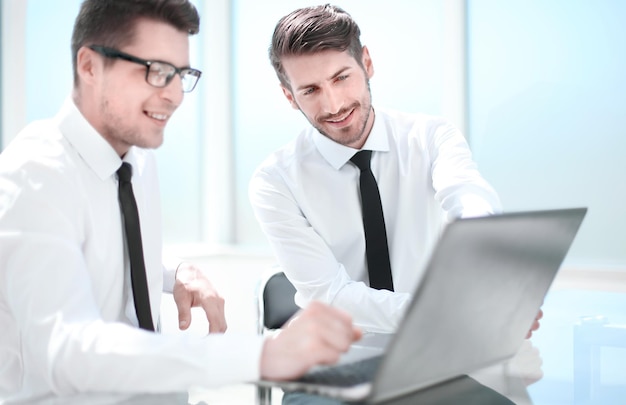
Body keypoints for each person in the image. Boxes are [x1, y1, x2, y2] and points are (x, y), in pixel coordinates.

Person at [0, 0, 360, 401]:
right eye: (156, 72)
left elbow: (97, 253)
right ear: (89, 66)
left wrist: (174, 273)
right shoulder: (32, 176)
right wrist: (259, 355)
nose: (174, 95)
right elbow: (68, 352)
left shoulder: (137, 159)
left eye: (180, 74)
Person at [249, 4, 543, 336]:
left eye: (341, 78)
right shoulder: (276, 181)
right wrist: (450, 314)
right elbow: (331, 296)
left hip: (446, 349)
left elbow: (468, 198)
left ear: (367, 64)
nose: (334, 105)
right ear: (290, 96)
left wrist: (490, 268)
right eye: (310, 90)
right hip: (339, 358)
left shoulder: (430, 137)